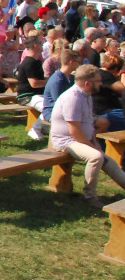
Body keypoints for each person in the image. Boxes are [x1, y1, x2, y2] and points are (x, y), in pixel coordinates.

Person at [49, 64, 125, 208]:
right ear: (87, 83)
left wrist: (93, 141)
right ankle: (90, 196)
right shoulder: (73, 98)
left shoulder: (87, 96)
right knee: (96, 157)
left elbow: (88, 122)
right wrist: (93, 146)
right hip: (66, 141)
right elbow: (74, 130)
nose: (101, 84)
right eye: (98, 81)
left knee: (111, 164)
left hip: (80, 139)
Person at [14, 36, 48, 140]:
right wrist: (50, 82)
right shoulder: (29, 63)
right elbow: (34, 83)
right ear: (35, 45)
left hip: (37, 95)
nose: (43, 45)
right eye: (41, 43)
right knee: (49, 108)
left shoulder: (36, 61)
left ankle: (44, 126)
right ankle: (35, 128)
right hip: (27, 96)